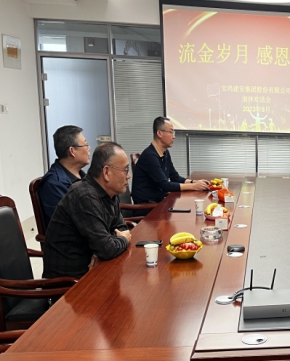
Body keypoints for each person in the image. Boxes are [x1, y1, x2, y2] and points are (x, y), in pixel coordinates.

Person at [43, 142, 133, 278]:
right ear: (106, 172)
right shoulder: (84, 196)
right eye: (125, 170)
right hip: (68, 282)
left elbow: (120, 229)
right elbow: (109, 247)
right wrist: (121, 240)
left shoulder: (109, 193)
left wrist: (100, 251)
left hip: (92, 269)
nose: (128, 176)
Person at [131, 117, 209, 204]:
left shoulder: (165, 152)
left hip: (158, 202)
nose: (174, 136)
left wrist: (194, 182)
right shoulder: (150, 156)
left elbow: (175, 177)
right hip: (147, 206)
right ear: (159, 133)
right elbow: (164, 185)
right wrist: (193, 186)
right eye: (171, 132)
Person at [38, 125, 90, 224]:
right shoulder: (54, 184)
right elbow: (70, 223)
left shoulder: (83, 176)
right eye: (86, 145)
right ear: (72, 151)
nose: (89, 148)